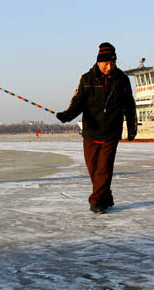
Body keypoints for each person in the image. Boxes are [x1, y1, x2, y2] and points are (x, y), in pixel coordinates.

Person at [56, 43, 137, 214]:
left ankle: (95, 202)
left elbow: (129, 106)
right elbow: (78, 103)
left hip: (111, 131)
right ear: (99, 62)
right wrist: (67, 115)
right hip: (91, 132)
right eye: (106, 63)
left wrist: (131, 127)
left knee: (104, 169)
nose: (110, 67)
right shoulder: (87, 79)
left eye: (113, 63)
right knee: (94, 169)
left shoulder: (122, 80)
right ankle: (106, 197)